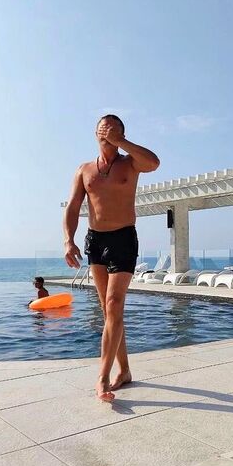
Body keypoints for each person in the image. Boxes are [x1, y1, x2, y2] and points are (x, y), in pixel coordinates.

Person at [63, 114, 160, 402]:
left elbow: (154, 163)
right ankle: (125, 370)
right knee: (109, 313)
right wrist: (68, 240)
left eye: (114, 128)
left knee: (114, 304)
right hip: (96, 241)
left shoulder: (131, 163)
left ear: (122, 134)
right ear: (95, 133)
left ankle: (102, 377)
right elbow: (73, 206)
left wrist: (121, 142)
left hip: (123, 238)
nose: (107, 131)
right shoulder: (84, 170)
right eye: (103, 128)